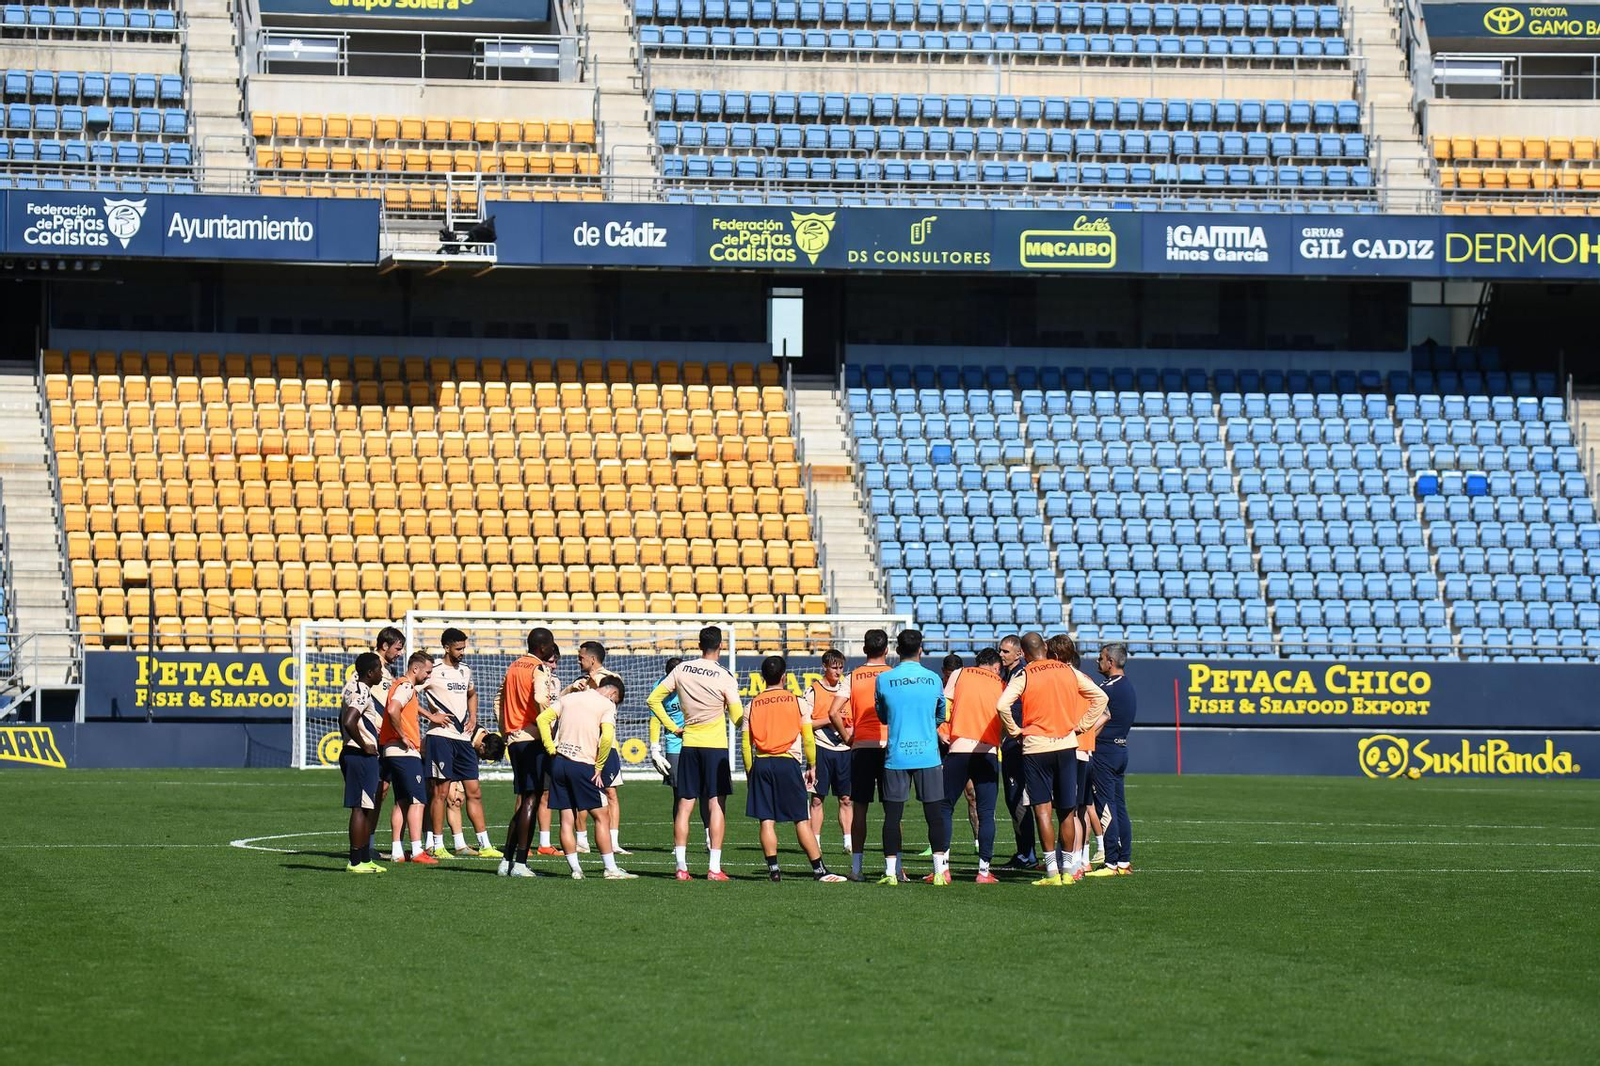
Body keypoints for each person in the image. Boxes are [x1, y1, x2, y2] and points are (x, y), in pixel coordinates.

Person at [995, 633, 1107, 886]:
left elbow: (1002, 705)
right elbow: (1101, 698)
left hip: (1036, 747)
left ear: (1024, 653)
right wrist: (1082, 726)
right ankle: (1068, 870)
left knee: (1042, 810)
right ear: (1045, 647)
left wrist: (1014, 731)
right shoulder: (1068, 671)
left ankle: (1052, 873)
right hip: (1066, 745)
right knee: (1067, 810)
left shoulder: (1025, 674)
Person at [647, 625, 744, 881]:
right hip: (715, 747)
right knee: (716, 804)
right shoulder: (724, 675)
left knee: (684, 804)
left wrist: (673, 727)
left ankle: (681, 867)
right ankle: (714, 868)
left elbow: (653, 699)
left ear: (699, 645)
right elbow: (737, 718)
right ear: (720, 646)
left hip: (688, 744)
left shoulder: (682, 669)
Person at [743, 656, 846, 883]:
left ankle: (774, 870)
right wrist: (812, 765)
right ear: (784, 677)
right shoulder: (797, 702)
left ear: (763, 677)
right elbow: (808, 738)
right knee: (801, 819)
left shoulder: (751, 705)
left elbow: (745, 745)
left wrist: (750, 772)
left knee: (766, 820)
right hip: (787, 762)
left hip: (762, 762)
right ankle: (819, 870)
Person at [537, 674, 637, 880]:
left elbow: (542, 719)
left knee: (566, 818)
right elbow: (607, 737)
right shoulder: (606, 705)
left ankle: (575, 870)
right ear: (613, 693)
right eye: (616, 700)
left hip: (559, 762)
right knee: (602, 816)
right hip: (583, 764)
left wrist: (550, 748)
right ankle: (611, 869)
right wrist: (599, 766)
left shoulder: (569, 698)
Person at [873, 630, 949, 886]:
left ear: (897, 650)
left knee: (892, 816)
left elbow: (882, 716)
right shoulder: (934, 679)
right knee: (935, 815)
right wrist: (926, 724)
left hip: (897, 755)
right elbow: (941, 714)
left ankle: (890, 873)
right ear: (920, 650)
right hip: (928, 754)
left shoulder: (884, 679)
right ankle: (939, 873)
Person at [420, 628, 500, 860]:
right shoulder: (433, 670)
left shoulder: (465, 670)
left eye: (464, 648)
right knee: (441, 793)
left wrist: (473, 716)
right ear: (446, 648)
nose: (462, 652)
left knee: (474, 792)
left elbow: (472, 694)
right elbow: (407, 693)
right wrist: (431, 715)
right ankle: (437, 845)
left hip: (464, 740)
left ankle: (485, 845)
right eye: (458, 648)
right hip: (441, 737)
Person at [937, 647, 1005, 884]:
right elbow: (1005, 716)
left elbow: (943, 705)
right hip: (987, 752)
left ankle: (942, 869)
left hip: (959, 748)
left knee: (944, 807)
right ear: (996, 667)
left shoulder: (960, 674)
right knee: (986, 813)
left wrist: (940, 731)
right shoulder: (1001, 684)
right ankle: (984, 872)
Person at [829, 629, 891, 882]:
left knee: (860, 809)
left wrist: (847, 738)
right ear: (887, 650)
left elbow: (833, 712)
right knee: (893, 809)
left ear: (864, 650)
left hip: (862, 747)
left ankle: (857, 869)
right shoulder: (892, 674)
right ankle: (895, 868)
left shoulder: (853, 677)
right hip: (889, 747)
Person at [496, 627, 559, 877]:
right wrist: (549, 728)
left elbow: (499, 699)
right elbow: (541, 698)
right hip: (532, 739)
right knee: (532, 798)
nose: (552, 649)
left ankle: (506, 861)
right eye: (551, 645)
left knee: (524, 800)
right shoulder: (537, 668)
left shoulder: (513, 666)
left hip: (514, 739)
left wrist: (505, 731)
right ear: (542, 647)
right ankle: (521, 863)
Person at [563, 641, 628, 856]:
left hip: (605, 745)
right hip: (583, 744)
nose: (577, 661)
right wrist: (573, 689)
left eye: (580, 657)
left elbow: (612, 702)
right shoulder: (579, 682)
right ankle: (582, 841)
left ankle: (613, 841)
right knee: (580, 793)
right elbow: (562, 701)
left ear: (592, 659)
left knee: (611, 792)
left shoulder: (610, 679)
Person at [381, 651, 443, 865]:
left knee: (402, 801)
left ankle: (397, 851)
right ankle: (417, 850)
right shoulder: (406, 686)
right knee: (418, 800)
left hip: (392, 751)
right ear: (415, 669)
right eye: (427, 672)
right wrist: (402, 735)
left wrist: (430, 716)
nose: (428, 676)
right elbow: (393, 709)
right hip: (404, 752)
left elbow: (406, 707)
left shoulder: (402, 686)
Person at [1048, 634, 1097, 881]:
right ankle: (1078, 861)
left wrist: (1078, 728)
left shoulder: (1064, 679)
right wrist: (1087, 727)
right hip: (1085, 749)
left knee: (1070, 811)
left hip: (1070, 747)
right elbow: (1102, 708)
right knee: (1078, 810)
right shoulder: (1086, 679)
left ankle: (1074, 862)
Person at [1086, 642, 1137, 878]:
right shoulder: (1128, 686)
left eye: (1101, 658)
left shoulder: (1107, 689)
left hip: (1104, 752)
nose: (1098, 661)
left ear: (1111, 662)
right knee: (1119, 806)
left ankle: (1111, 863)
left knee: (1105, 807)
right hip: (1120, 749)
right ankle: (1124, 860)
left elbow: (1096, 716)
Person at [338, 652, 387, 874]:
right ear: (370, 673)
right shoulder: (362, 691)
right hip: (359, 755)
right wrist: (364, 745)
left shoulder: (351, 687)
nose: (382, 673)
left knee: (367, 807)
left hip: (356, 754)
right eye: (379, 670)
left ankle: (365, 859)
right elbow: (349, 720)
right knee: (360, 808)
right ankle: (355, 861)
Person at [803, 648, 851, 853]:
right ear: (824, 667)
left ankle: (848, 841)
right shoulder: (813, 691)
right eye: (834, 667)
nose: (838, 672)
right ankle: (815, 841)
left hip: (844, 749)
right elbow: (806, 723)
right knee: (816, 799)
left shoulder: (847, 689)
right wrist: (831, 719)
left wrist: (848, 728)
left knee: (846, 799)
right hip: (821, 748)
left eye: (841, 667)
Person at [995, 633, 1036, 872]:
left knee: (1018, 799)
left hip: (1018, 745)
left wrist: (1016, 734)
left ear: (1019, 653)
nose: (1001, 654)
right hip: (1011, 744)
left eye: (1005, 651)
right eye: (1000, 650)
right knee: (1014, 800)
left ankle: (1027, 854)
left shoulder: (1022, 675)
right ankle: (1025, 852)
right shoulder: (1009, 674)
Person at [369, 626, 406, 863]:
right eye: (398, 648)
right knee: (373, 791)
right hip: (373, 740)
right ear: (384, 646)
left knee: (382, 790)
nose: (400, 653)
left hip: (386, 740)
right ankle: (364, 844)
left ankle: (371, 844)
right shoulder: (370, 666)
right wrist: (373, 723)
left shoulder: (388, 670)